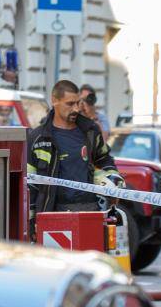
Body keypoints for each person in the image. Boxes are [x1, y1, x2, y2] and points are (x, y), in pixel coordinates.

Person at [28, 79, 123, 218]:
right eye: (70, 104)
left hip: (90, 211)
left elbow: (105, 158)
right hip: (52, 214)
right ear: (54, 100)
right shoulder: (38, 138)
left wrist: (113, 178)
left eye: (78, 103)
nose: (76, 109)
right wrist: (32, 221)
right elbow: (30, 185)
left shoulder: (90, 131)